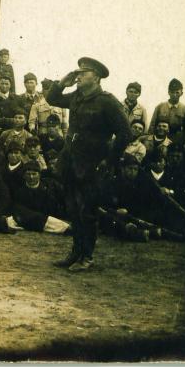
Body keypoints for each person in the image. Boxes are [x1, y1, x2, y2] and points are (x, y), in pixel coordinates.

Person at [46, 57, 132, 272]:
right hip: (71, 162)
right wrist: (62, 83)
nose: (78, 76)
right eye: (78, 72)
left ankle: (86, 256)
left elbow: (125, 133)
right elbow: (52, 99)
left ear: (96, 77)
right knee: (73, 209)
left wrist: (109, 160)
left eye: (83, 73)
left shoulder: (107, 101)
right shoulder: (77, 96)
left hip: (93, 165)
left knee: (87, 211)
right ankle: (75, 252)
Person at [11, 161, 70, 233]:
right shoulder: (20, 192)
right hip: (39, 220)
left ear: (39, 175)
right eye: (28, 174)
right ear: (24, 176)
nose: (31, 177)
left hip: (57, 216)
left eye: (34, 174)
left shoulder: (51, 185)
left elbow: (65, 198)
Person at [149, 78, 185, 146]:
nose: (174, 95)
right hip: (160, 140)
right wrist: (150, 142)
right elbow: (152, 125)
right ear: (168, 92)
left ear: (181, 93)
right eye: (172, 92)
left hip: (177, 141)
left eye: (177, 92)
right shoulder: (160, 107)